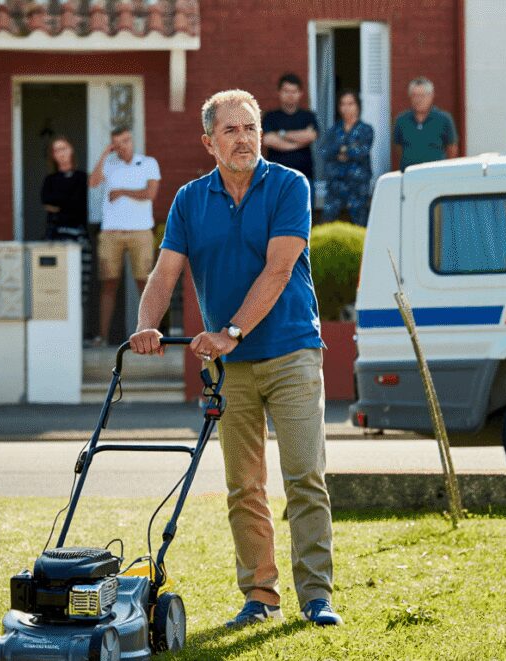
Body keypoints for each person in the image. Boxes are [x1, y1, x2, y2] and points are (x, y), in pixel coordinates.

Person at [128, 89, 342, 629]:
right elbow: (165, 272)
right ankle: (260, 597)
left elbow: (278, 269)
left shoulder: (290, 186)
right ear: (209, 142)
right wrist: (145, 325)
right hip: (229, 369)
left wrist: (231, 331)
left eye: (250, 128)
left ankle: (316, 597)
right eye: (231, 130)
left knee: (304, 477)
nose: (244, 138)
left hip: (291, 351)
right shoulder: (188, 200)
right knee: (243, 485)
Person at [88, 126, 160, 346]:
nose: (124, 145)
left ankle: (151, 334)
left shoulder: (148, 163)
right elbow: (92, 183)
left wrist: (122, 191)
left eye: (126, 140)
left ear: (132, 140)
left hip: (141, 232)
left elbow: (150, 194)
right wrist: (104, 154)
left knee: (145, 283)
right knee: (108, 284)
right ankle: (102, 337)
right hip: (111, 233)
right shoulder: (109, 164)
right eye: (118, 143)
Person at [319, 89, 374, 226]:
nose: (346, 108)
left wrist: (341, 150)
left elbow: (362, 152)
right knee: (328, 223)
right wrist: (345, 149)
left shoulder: (365, 129)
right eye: (343, 104)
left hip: (357, 185)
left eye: (350, 104)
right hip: (335, 185)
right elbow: (324, 152)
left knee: (360, 224)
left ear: (357, 106)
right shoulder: (333, 130)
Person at [262, 73, 319, 187]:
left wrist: (281, 134)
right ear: (279, 93)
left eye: (294, 91)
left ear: (300, 93)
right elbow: (268, 140)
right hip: (276, 178)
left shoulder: (308, 116)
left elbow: (311, 136)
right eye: (286, 91)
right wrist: (298, 143)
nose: (290, 95)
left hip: (304, 177)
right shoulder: (271, 117)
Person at [392, 77, 458, 171]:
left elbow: (452, 148)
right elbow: (398, 147)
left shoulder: (444, 119)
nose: (418, 100)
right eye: (415, 95)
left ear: (431, 96)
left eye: (422, 96)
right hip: (409, 173)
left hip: (435, 174)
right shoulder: (401, 120)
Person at [41, 136, 88, 242]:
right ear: (53, 155)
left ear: (71, 150)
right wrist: (68, 199)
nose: (61, 153)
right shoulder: (50, 179)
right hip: (54, 233)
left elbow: (78, 203)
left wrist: (58, 205)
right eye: (56, 150)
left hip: (77, 232)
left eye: (64, 149)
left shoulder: (81, 177)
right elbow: (46, 202)